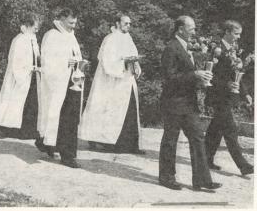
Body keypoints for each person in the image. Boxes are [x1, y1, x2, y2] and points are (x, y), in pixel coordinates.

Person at [159, 16, 221, 191]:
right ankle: (166, 177)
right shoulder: (171, 48)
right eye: (191, 28)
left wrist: (200, 81)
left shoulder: (186, 47)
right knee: (171, 139)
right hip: (173, 102)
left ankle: (202, 180)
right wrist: (195, 75)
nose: (194, 32)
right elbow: (168, 78)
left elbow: (185, 76)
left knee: (198, 137)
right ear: (180, 29)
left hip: (188, 102)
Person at [79, 15, 144, 154]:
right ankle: (110, 143)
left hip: (127, 80)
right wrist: (123, 62)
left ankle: (131, 144)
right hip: (113, 81)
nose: (128, 26)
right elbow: (105, 60)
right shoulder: (110, 39)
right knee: (112, 111)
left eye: (130, 23)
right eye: (125, 23)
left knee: (130, 109)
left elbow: (134, 56)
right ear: (117, 23)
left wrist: (135, 64)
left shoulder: (129, 39)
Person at [204, 20, 253, 175]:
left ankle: (205, 158)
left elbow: (236, 75)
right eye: (236, 33)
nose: (238, 37)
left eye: (239, 34)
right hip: (218, 95)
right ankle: (243, 165)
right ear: (227, 32)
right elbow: (209, 76)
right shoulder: (215, 48)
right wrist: (226, 85)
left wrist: (245, 93)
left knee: (216, 129)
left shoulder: (234, 49)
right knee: (230, 129)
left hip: (228, 96)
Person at [37, 8, 83, 168]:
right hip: (58, 84)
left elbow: (76, 56)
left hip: (72, 82)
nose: (73, 26)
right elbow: (47, 62)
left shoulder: (71, 36)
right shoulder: (52, 35)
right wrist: (66, 63)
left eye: (75, 23)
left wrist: (79, 63)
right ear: (62, 19)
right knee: (61, 118)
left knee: (70, 119)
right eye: (71, 22)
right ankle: (67, 156)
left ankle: (50, 144)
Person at [0, 13, 41, 140]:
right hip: (20, 76)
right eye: (35, 27)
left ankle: (28, 130)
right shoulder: (20, 39)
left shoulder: (32, 39)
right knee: (16, 101)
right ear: (28, 25)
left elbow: (36, 57)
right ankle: (9, 128)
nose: (37, 29)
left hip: (32, 75)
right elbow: (16, 60)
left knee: (30, 103)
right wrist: (28, 69)